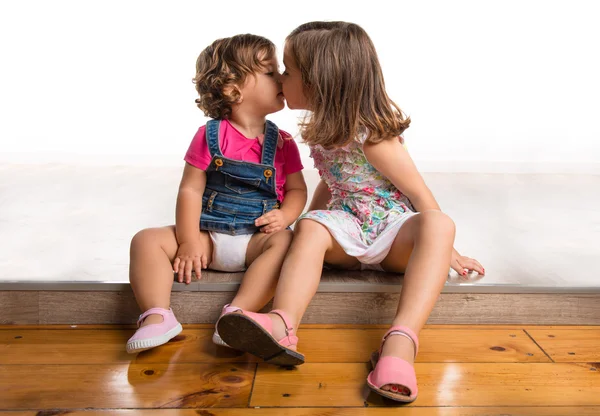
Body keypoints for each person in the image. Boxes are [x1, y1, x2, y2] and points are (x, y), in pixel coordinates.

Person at [217, 22, 484, 403]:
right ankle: (282, 323)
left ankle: (400, 342)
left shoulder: (374, 137)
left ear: (318, 82)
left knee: (441, 224)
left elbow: (419, 194)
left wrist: (446, 249)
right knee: (310, 226)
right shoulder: (325, 132)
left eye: (287, 71)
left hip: (392, 234)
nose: (279, 77)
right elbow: (333, 182)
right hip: (349, 231)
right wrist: (307, 228)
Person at [126, 34, 307, 354]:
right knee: (145, 240)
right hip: (208, 237)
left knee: (288, 241)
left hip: (256, 239)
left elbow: (297, 190)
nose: (280, 77)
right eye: (269, 72)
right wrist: (189, 239)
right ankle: (157, 315)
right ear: (232, 86)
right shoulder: (210, 136)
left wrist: (286, 215)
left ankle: (237, 314)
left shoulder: (283, 143)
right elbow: (190, 189)